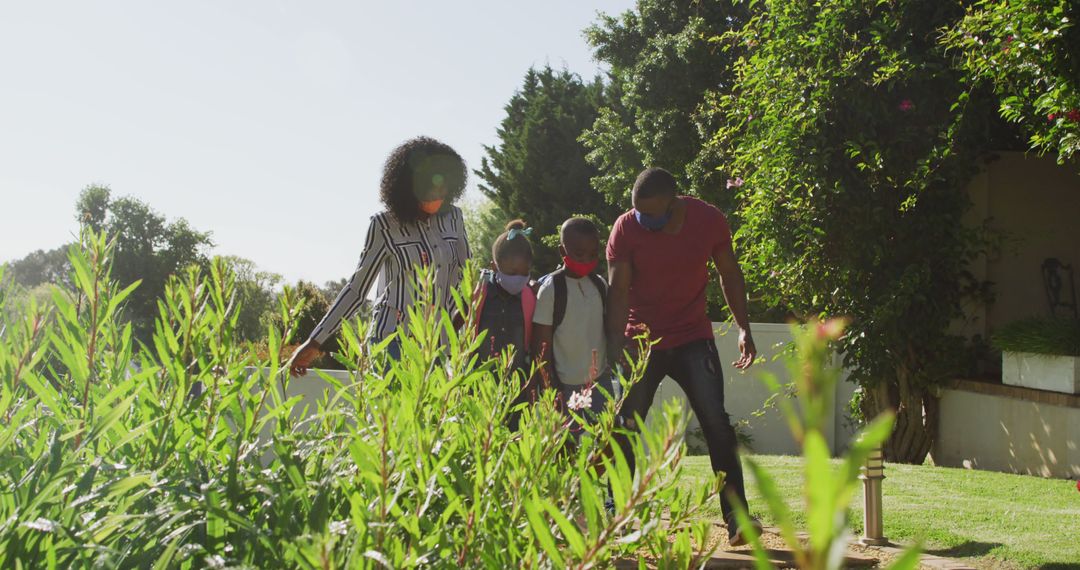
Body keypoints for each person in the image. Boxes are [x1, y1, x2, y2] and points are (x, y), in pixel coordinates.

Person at [605, 167, 760, 545]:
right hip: (642, 341)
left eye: (653, 215)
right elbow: (618, 291)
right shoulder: (625, 229)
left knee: (716, 423)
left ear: (674, 204)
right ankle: (615, 514)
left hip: (692, 337)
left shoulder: (708, 220)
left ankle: (737, 519)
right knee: (625, 424)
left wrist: (743, 327)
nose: (645, 221)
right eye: (639, 213)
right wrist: (615, 348)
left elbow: (729, 272)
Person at [289, 136, 470, 375]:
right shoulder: (384, 226)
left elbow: (464, 280)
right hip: (391, 341)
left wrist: (457, 331)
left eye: (444, 185)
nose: (440, 192)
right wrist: (315, 342)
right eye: (432, 185)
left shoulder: (454, 218)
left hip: (436, 345)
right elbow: (357, 290)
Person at [532, 218, 616, 429]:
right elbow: (541, 346)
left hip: (600, 383)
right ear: (563, 251)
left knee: (603, 445)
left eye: (593, 254)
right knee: (566, 447)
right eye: (579, 254)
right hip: (565, 386)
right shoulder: (551, 289)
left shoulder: (599, 285)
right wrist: (551, 389)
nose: (587, 259)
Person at [471, 219, 537, 379]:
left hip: (517, 386)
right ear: (495, 267)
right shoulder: (480, 294)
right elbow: (460, 322)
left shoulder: (530, 297)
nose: (519, 279)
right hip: (480, 383)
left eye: (524, 273)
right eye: (512, 273)